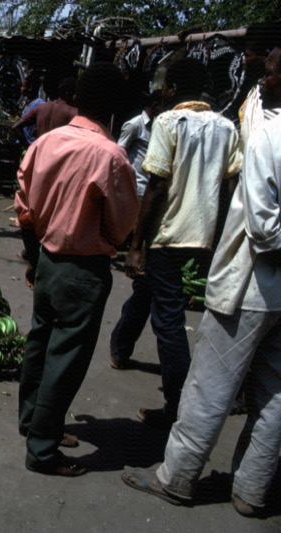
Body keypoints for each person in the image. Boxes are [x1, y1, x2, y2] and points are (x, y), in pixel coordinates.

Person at [121, 46, 281, 517]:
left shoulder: (269, 138)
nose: (261, 80)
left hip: (250, 285)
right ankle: (251, 490)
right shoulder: (239, 124)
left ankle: (177, 477)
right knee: (274, 394)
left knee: (210, 384)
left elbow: (264, 224)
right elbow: (233, 171)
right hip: (266, 288)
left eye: (270, 73)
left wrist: (138, 243)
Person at [15, 63, 138, 476]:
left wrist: (35, 255)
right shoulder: (111, 157)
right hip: (84, 269)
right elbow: (121, 226)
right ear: (114, 109)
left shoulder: (45, 144)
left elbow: (23, 206)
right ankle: (43, 450)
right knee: (66, 358)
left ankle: (31, 421)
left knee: (40, 342)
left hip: (47, 259)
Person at [111, 58, 242, 427]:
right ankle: (120, 348)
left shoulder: (169, 122)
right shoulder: (226, 127)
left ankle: (177, 407)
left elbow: (155, 186)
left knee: (168, 323)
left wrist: (137, 245)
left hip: (169, 236)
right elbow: (231, 185)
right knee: (148, 293)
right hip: (206, 238)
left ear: (170, 89)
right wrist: (222, 234)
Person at [117, 90, 164, 201]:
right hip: (135, 188)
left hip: (148, 190)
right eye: (163, 106)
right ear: (155, 105)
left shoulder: (157, 127)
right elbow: (119, 154)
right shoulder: (135, 125)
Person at [13, 76, 77, 142]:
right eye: (76, 94)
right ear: (68, 93)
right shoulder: (73, 113)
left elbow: (16, 126)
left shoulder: (41, 107)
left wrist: (28, 146)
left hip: (39, 151)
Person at [13, 73, 45, 148]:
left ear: (30, 88)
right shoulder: (28, 104)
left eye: (23, 86)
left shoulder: (39, 104)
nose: (21, 88)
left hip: (29, 144)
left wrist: (27, 145)